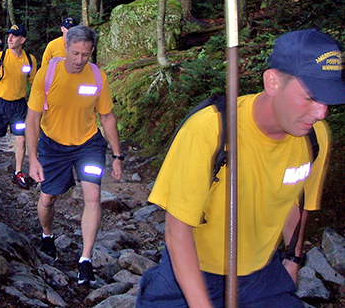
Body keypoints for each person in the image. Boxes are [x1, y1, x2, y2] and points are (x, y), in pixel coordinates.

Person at [136, 28, 345, 308]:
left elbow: (298, 200)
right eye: (310, 97)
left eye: (327, 100)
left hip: (262, 275)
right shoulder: (209, 132)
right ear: (272, 82)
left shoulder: (315, 138)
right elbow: (177, 231)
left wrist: (293, 259)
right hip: (191, 270)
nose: (321, 112)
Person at [25, 25, 123, 286]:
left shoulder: (97, 77)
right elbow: (33, 118)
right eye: (76, 53)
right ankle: (47, 235)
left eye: (86, 55)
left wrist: (117, 155)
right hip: (53, 146)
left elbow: (107, 116)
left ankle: (85, 260)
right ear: (66, 47)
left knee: (93, 197)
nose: (80, 60)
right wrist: (32, 158)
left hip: (88, 145)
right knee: (47, 198)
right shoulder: (47, 75)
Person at [0, 24, 37, 190]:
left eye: (14, 36)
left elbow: (34, 83)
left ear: (22, 40)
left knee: (21, 138)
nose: (9, 38)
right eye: (9, 35)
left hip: (18, 106)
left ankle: (17, 172)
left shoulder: (30, 60)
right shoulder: (0, 57)